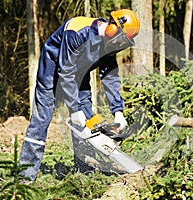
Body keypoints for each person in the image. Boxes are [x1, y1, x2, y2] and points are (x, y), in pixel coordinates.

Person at [19, 9, 140, 181]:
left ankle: (83, 171)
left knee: (87, 124)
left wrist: (118, 112)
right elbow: (65, 71)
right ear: (113, 28)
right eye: (120, 40)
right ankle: (25, 176)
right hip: (52, 70)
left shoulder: (110, 45)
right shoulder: (77, 30)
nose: (119, 45)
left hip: (78, 75)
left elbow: (110, 77)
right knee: (41, 121)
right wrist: (75, 110)